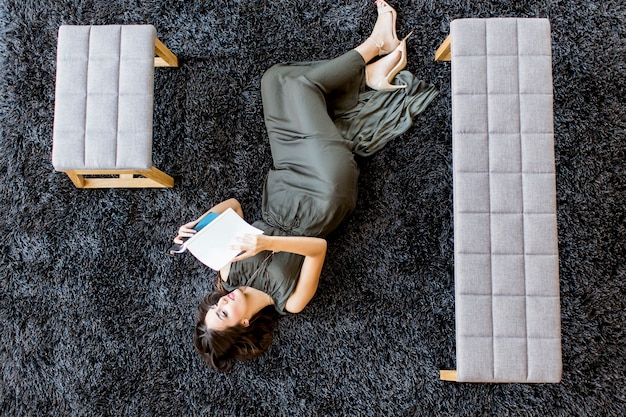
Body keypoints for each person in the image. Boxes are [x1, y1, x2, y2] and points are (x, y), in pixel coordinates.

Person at [173, 0, 438, 371]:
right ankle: (375, 45)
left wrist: (199, 224)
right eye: (225, 313)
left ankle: (368, 80)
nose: (224, 302)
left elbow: (233, 207)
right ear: (243, 325)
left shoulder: (226, 271)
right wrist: (267, 243)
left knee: (273, 80)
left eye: (216, 306)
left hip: (286, 176)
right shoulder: (290, 302)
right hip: (325, 194)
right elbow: (318, 249)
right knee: (297, 88)